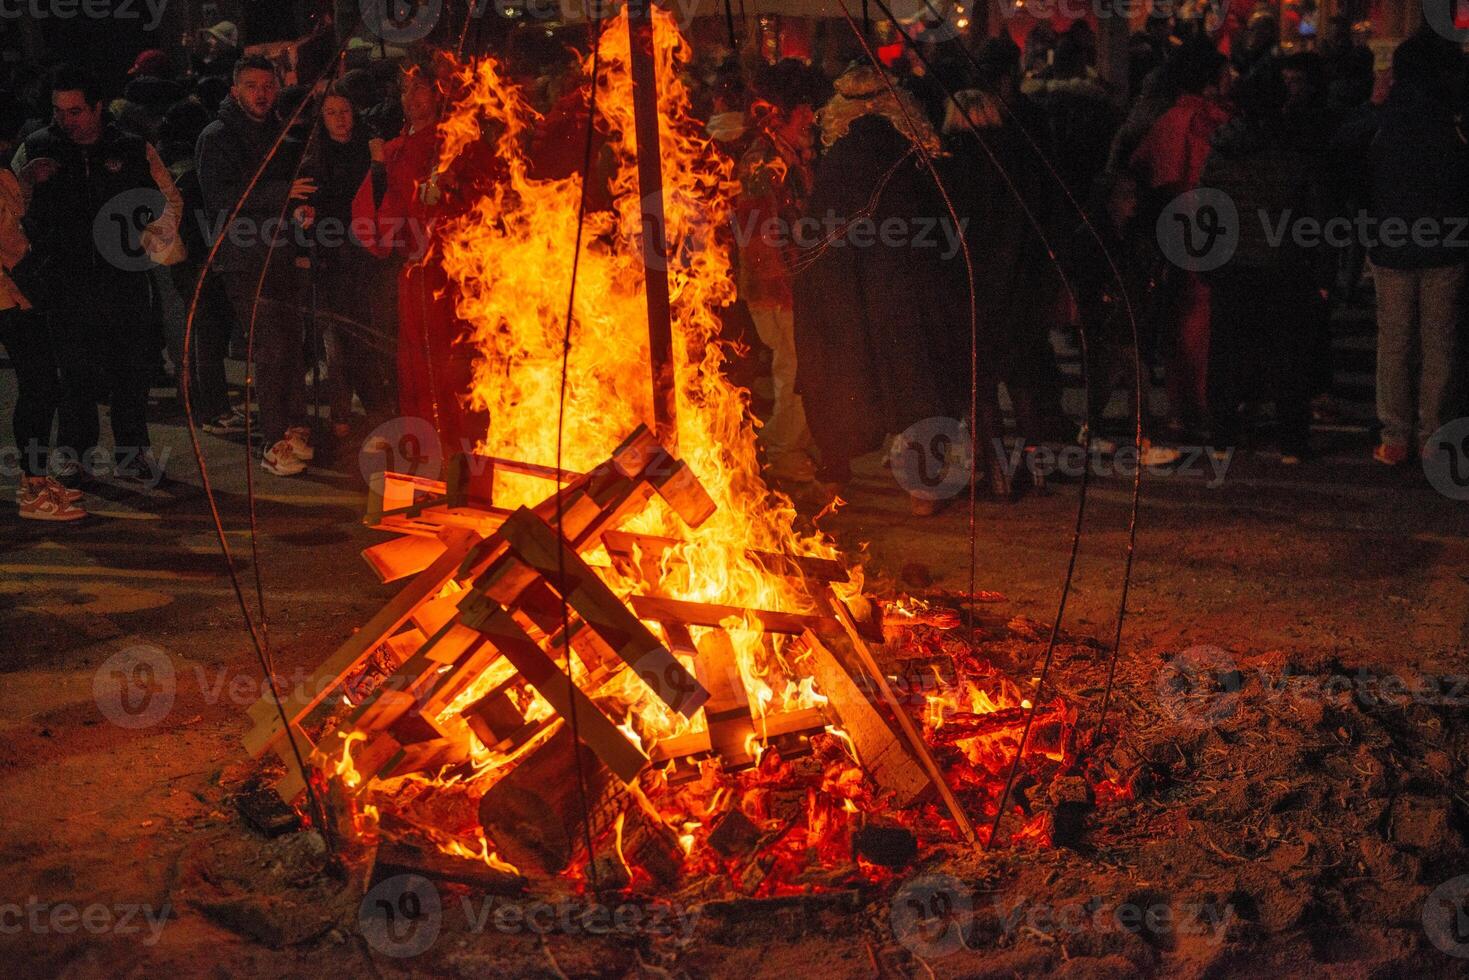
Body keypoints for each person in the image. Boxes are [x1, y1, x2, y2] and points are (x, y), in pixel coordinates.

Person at [792, 65, 966, 513]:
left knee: (844, 375)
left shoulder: (839, 161)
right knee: (915, 380)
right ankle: (922, 489)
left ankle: (838, 469)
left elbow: (820, 234)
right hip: (907, 290)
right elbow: (939, 229)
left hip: (845, 292)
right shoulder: (913, 157)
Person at [12, 65, 181, 490]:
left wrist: (152, 244)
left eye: (76, 111)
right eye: (59, 111)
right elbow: (11, 207)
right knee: (75, 373)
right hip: (62, 280)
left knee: (131, 370)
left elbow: (168, 200)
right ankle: (73, 454)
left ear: (97, 107)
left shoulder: (131, 147)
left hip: (122, 278)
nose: (67, 120)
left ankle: (132, 453)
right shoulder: (36, 149)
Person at [352, 55, 501, 460]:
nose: (414, 99)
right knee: (415, 360)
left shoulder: (457, 143)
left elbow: (490, 195)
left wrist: (453, 195)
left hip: (452, 270)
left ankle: (460, 442)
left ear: (437, 96)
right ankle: (425, 440)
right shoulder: (395, 149)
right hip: (414, 272)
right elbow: (372, 208)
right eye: (407, 91)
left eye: (422, 90)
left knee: (453, 358)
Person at [1346, 33, 1468, 465]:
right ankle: (1433, 436)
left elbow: (1341, 146)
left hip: (1392, 245)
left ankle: (1395, 437)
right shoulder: (1454, 120)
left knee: (1395, 342)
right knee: (1440, 344)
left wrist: (1374, 101)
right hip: (1447, 246)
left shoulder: (1384, 119)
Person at [1199, 70, 1329, 463]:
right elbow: (1314, 214)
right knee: (1289, 355)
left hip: (1231, 263)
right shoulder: (1295, 148)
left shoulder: (1221, 150)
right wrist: (1322, 270)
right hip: (1283, 263)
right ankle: (1291, 441)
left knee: (1227, 353)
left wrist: (1206, 258)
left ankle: (1221, 436)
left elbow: (1207, 210)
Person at [197, 54, 316, 476]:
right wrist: (283, 193)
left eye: (268, 85)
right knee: (269, 346)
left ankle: (295, 424)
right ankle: (273, 439)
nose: (262, 93)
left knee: (292, 342)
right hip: (245, 259)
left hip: (282, 252)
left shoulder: (280, 130)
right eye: (252, 86)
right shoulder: (217, 136)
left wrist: (301, 211)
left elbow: (296, 189)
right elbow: (223, 199)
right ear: (235, 90)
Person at [1130, 37, 1232, 437]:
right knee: (1204, 323)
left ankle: (1180, 405)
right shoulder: (1212, 122)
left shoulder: (1166, 120)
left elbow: (1144, 170)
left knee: (1179, 322)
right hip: (1209, 231)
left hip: (1171, 231)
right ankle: (1202, 408)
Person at [734, 60, 824, 485]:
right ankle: (783, 451)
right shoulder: (762, 163)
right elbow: (758, 236)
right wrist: (787, 285)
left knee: (798, 368)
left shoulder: (789, 155)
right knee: (794, 370)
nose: (812, 117)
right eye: (803, 109)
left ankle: (790, 446)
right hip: (778, 288)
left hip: (791, 283)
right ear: (781, 114)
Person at [293, 84, 392, 442]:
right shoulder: (313, 159)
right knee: (338, 341)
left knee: (367, 336)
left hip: (368, 258)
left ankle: (374, 408)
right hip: (332, 261)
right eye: (332, 113)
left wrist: (379, 165)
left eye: (345, 111)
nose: (340, 119)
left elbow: (382, 198)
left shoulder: (368, 152)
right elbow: (301, 208)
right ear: (321, 118)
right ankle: (341, 416)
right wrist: (303, 222)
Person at [1, 136, 83, 520]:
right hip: (11, 295)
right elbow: (12, 242)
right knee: (41, 385)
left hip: (16, 294)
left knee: (42, 385)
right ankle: (32, 487)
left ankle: (33, 478)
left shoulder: (5, 174)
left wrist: (26, 182)